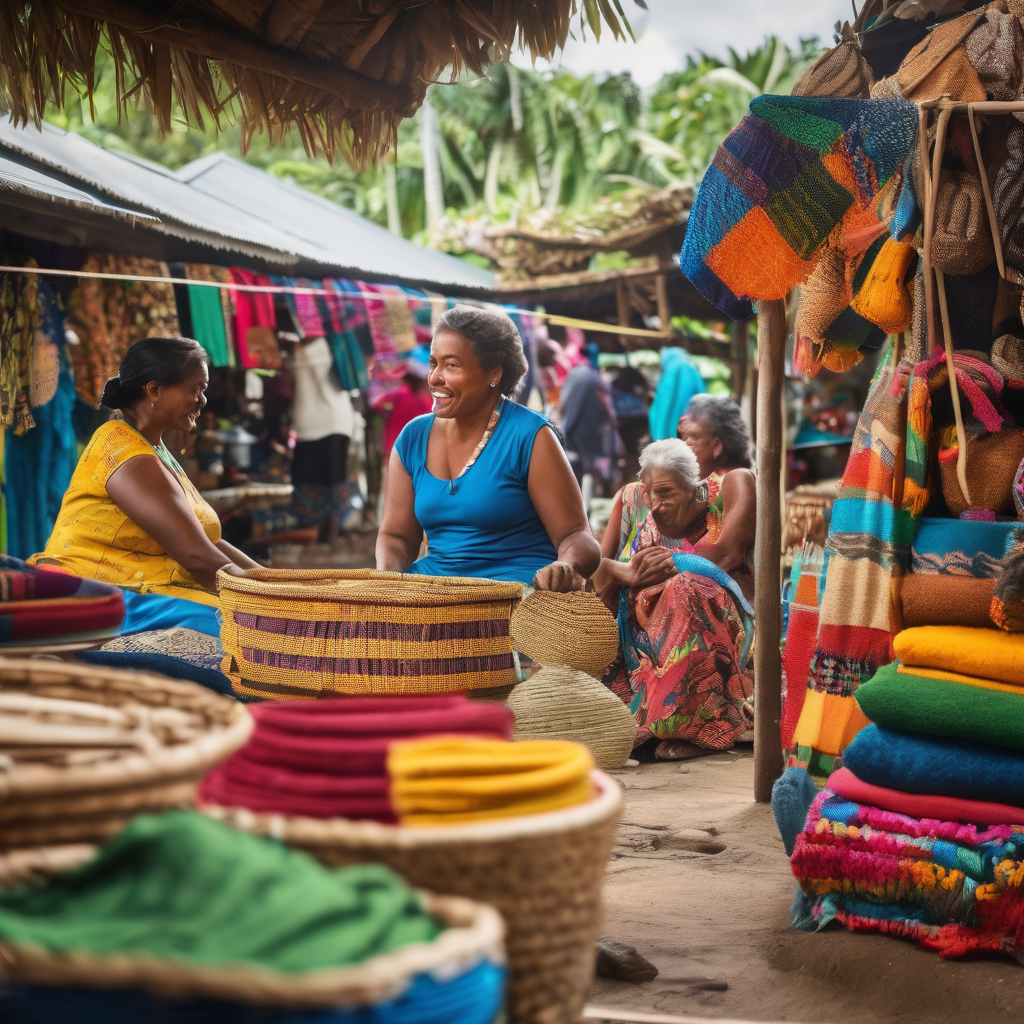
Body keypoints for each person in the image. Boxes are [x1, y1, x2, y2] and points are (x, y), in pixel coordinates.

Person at [31, 337, 260, 636]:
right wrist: (267, 596)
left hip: (137, 591)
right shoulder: (124, 452)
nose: (202, 400)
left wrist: (272, 581)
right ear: (153, 390)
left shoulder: (153, 448)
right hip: (93, 596)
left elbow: (208, 543)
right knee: (243, 630)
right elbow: (196, 557)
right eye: (196, 389)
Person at [376, 306, 600, 590]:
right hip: (434, 593)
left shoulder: (530, 436)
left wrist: (565, 567)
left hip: (513, 596)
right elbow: (396, 537)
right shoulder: (413, 438)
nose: (434, 378)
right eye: (434, 363)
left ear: (494, 374)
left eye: (451, 365)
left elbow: (577, 535)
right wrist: (388, 583)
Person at [593, 439, 754, 760]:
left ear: (695, 489)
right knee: (605, 604)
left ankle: (697, 725)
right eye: (650, 493)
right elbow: (597, 572)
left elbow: (728, 554)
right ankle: (635, 717)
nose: (655, 504)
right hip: (636, 643)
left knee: (684, 587)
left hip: (726, 633)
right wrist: (621, 573)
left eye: (666, 493)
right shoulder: (630, 501)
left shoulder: (732, 487)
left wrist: (651, 573)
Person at [677, 394, 756, 601]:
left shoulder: (737, 479)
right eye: (683, 437)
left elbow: (727, 553)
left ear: (717, 446)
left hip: (731, 606)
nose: (685, 444)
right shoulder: (691, 489)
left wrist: (667, 562)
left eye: (694, 437)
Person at [290, 334, 356, 544]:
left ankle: (321, 533)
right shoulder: (333, 340)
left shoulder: (305, 345)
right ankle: (325, 533)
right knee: (331, 480)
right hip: (336, 420)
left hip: (318, 422)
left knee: (314, 480)